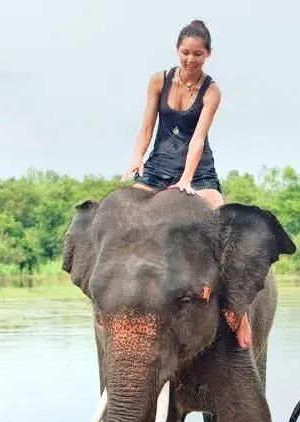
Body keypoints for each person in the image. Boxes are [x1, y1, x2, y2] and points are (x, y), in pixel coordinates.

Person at [121, 20, 254, 347]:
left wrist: (186, 180)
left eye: (197, 54)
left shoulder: (211, 91)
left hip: (198, 170)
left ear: (208, 55)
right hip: (157, 166)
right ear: (177, 51)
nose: (190, 59)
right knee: (124, 218)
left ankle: (239, 311)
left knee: (223, 226)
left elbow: (197, 139)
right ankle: (124, 302)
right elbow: (147, 127)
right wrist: (136, 159)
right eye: (185, 53)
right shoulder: (158, 81)